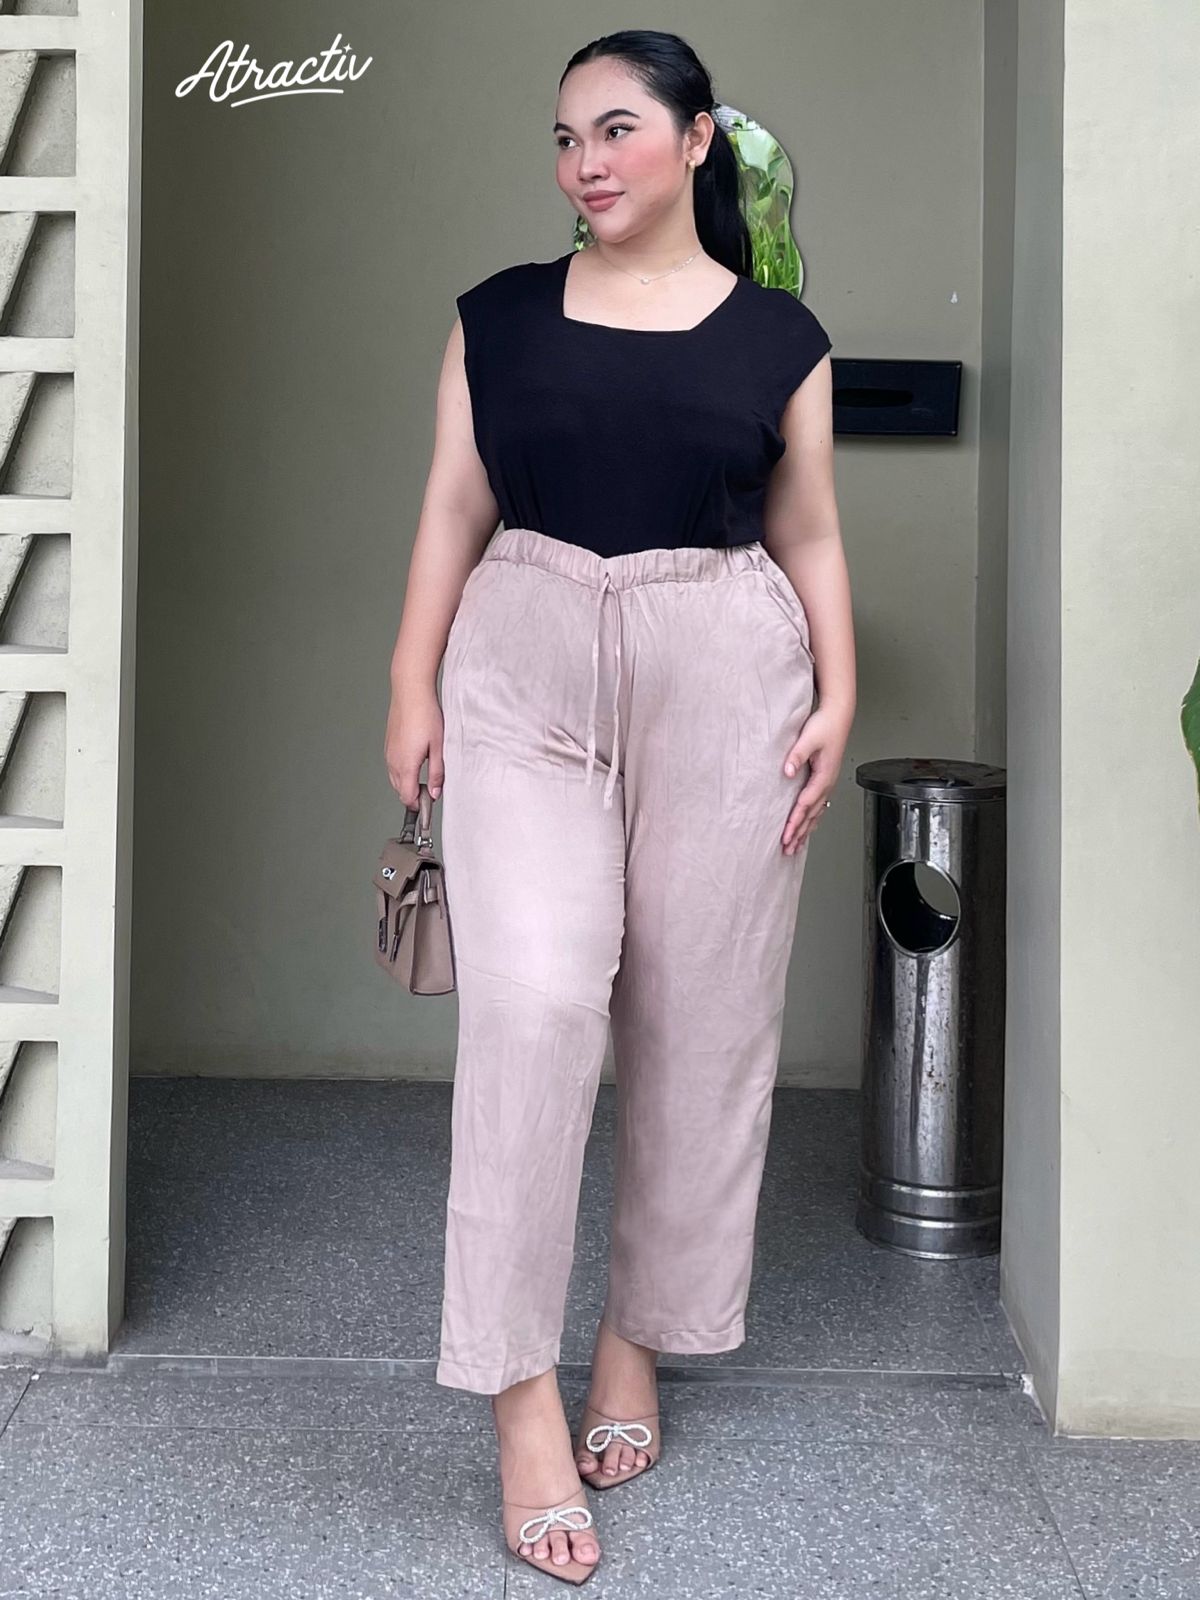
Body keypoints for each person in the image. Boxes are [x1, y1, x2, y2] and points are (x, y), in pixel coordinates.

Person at [384, 28, 856, 1586]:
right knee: (531, 1006)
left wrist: (838, 692)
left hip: (728, 665)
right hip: (522, 659)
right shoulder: (498, 318)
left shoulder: (781, 337)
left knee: (699, 1019)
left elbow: (808, 532)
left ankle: (636, 1336)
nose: (585, 162)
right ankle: (519, 1394)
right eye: (565, 138)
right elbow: (454, 504)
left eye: (616, 130)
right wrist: (409, 683)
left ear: (697, 140)